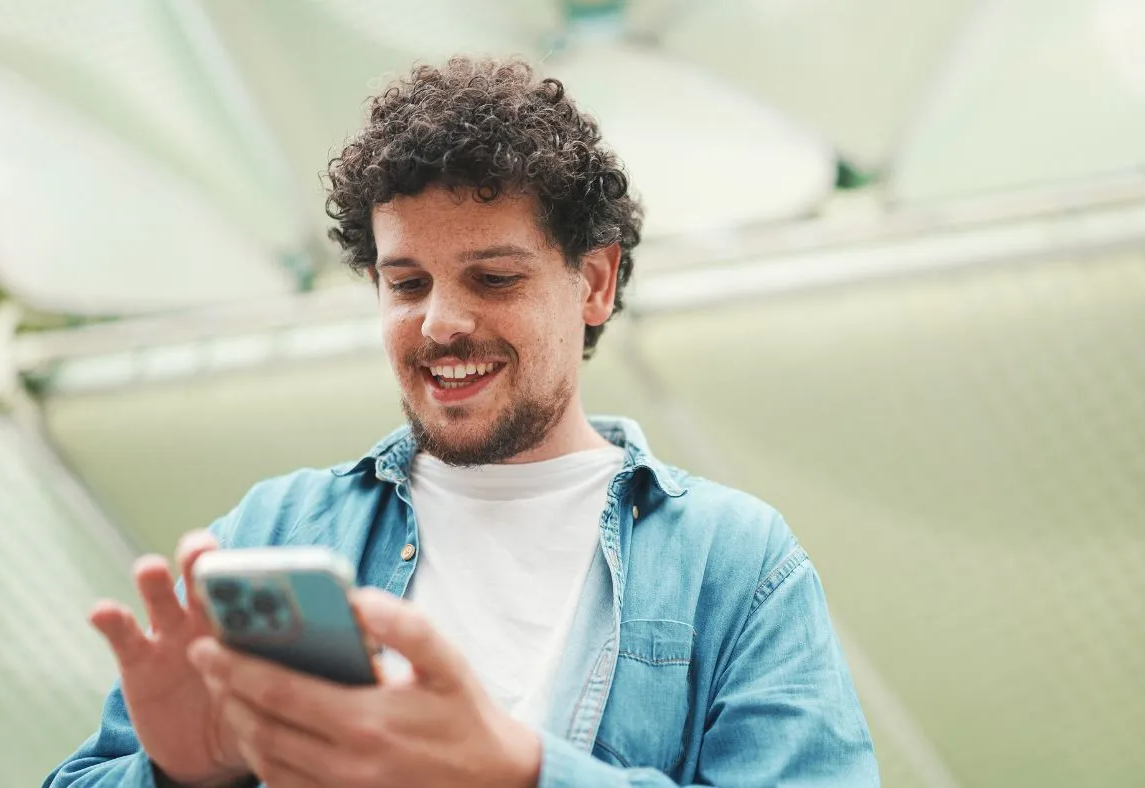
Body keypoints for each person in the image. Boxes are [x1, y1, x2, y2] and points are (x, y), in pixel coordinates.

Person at [46, 55, 879, 788]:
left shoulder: (731, 564)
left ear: (592, 281)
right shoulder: (273, 531)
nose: (440, 322)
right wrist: (182, 774)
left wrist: (520, 772)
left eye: (493, 278)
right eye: (406, 284)